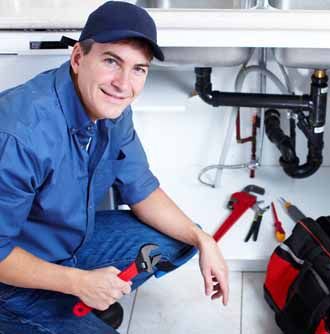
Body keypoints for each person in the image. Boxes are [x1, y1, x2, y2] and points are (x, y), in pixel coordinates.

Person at [0, 1, 229, 333]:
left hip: (64, 248)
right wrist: (78, 282)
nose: (124, 83)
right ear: (78, 58)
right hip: (9, 284)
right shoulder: (21, 134)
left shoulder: (112, 110)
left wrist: (205, 239)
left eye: (139, 69)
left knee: (180, 237)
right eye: (112, 61)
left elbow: (141, 188)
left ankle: (71, 303)